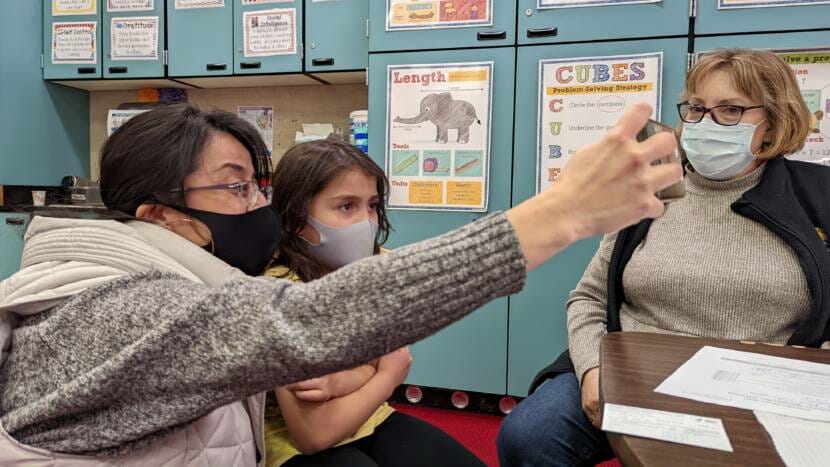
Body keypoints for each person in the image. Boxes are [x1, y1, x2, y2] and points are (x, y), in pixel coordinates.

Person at [0, 101, 679, 466]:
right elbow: (309, 325)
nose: (258, 207)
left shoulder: (148, 272)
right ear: (160, 215)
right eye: (235, 189)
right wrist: (560, 213)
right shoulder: (125, 305)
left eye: (257, 185)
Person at [497, 48, 830, 467]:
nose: (707, 123)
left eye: (730, 110)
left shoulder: (818, 197)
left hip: (763, 385)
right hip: (635, 371)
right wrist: (592, 371)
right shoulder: (653, 188)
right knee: (530, 435)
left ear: (774, 123)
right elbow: (588, 298)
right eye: (696, 108)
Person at [262, 138, 484, 467]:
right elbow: (313, 433)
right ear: (295, 216)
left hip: (366, 415)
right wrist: (387, 375)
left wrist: (343, 378)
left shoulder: (377, 268)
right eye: (346, 206)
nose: (367, 221)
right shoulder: (281, 294)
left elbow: (385, 354)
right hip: (289, 443)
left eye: (372, 205)